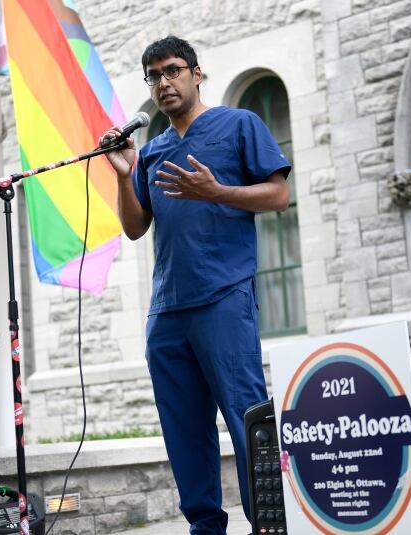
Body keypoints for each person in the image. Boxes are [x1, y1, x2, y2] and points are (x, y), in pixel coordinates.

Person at [100, 35, 291, 535]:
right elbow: (136, 226)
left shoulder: (238, 125)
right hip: (167, 309)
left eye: (172, 71)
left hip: (224, 296)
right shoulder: (156, 150)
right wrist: (125, 175)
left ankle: (268, 525)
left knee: (247, 420)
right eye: (154, 76)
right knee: (184, 432)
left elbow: (278, 195)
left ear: (196, 73)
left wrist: (218, 191)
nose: (164, 83)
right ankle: (205, 527)